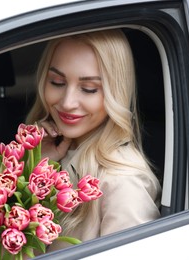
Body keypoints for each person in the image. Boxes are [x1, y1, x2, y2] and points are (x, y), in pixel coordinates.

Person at [25, 29, 162, 251]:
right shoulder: (44, 154)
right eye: (57, 82)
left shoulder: (122, 184)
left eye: (89, 89)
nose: (68, 102)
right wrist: (38, 166)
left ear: (114, 92)